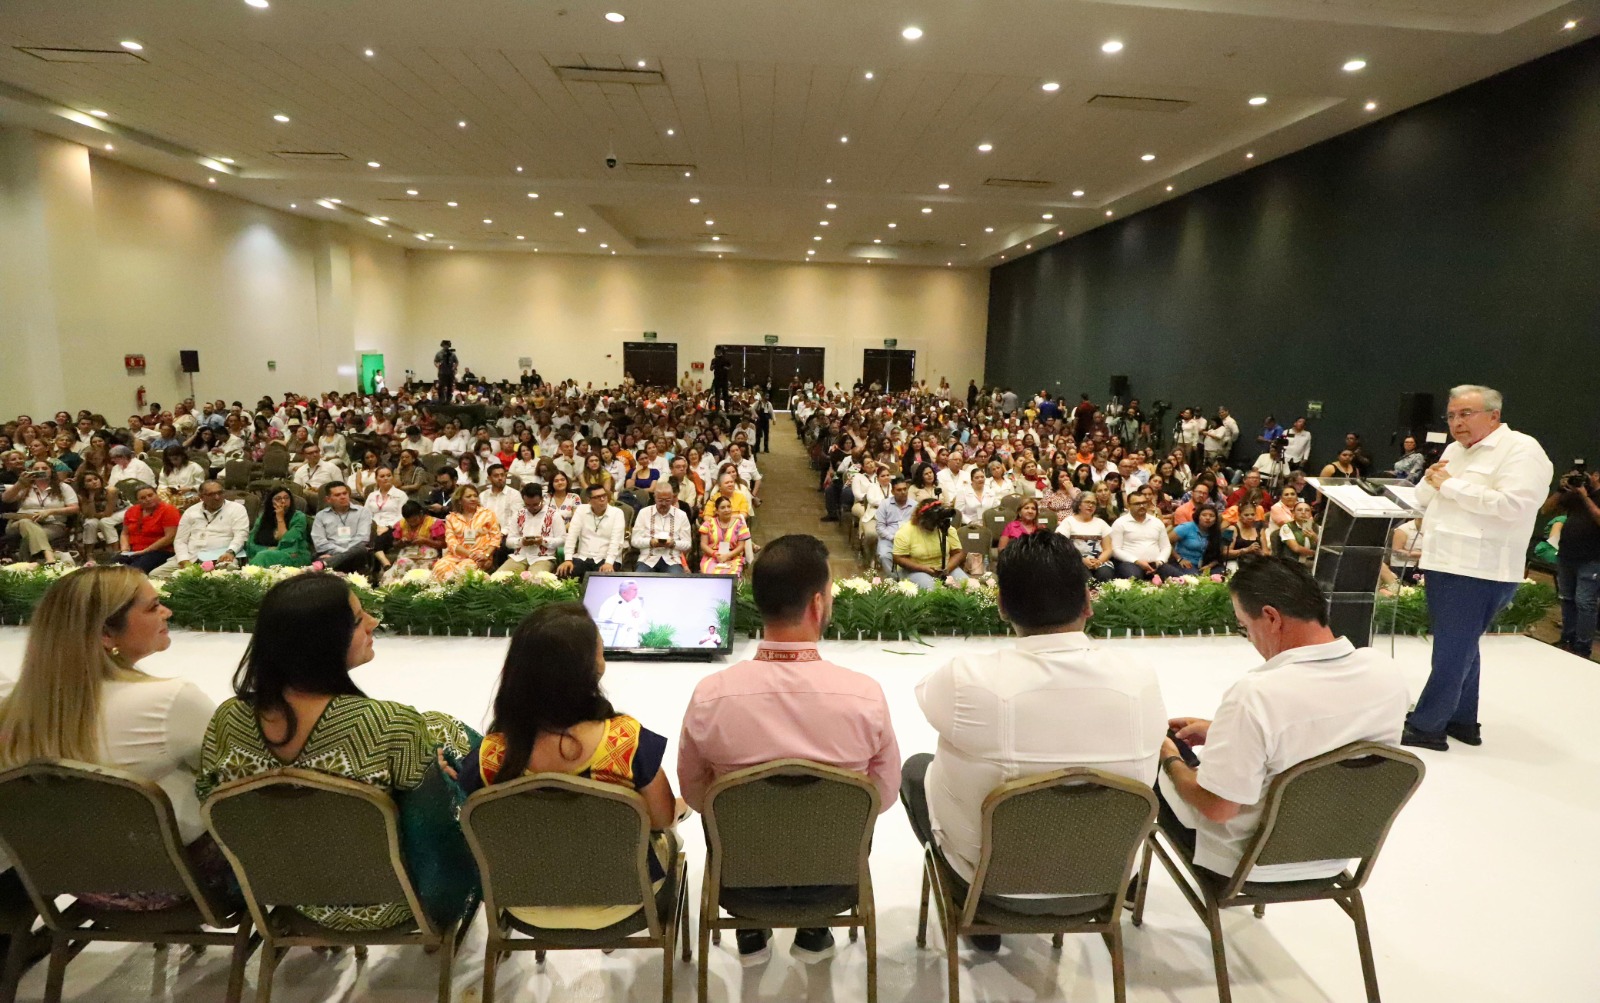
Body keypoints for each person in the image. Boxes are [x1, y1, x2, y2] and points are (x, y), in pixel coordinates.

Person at [901, 532, 1165, 950]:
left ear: (1002, 606)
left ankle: (977, 917)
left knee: (918, 768)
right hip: (1102, 883)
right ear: (1088, 602)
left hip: (989, 885)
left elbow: (925, 698)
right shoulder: (1141, 676)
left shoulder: (967, 678)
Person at [195, 573, 473, 931]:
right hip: (391, 900)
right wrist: (444, 778)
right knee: (450, 737)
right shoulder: (390, 725)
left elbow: (212, 800)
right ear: (321, 641)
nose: (373, 622)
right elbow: (434, 829)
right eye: (358, 620)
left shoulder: (228, 720)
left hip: (284, 893)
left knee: (433, 729)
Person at [677, 535, 900, 966]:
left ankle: (748, 927)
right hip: (835, 883)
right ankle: (815, 928)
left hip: (738, 883)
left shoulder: (711, 695)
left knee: (723, 798)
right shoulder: (864, 696)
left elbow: (695, 793)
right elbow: (883, 795)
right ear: (818, 604)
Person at [1157, 557, 1407, 883]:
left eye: (1245, 627)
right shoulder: (1386, 674)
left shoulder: (1257, 695)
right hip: (1336, 852)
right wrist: (1225, 732)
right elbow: (1325, 739)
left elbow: (1218, 809)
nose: (1250, 639)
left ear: (1271, 617)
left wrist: (1170, 759)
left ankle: (1122, 887)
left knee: (1159, 760)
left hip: (1248, 863)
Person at [0, 566, 223, 910]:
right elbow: (231, 775)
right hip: (178, 883)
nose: (167, 612)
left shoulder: (19, 709)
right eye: (153, 607)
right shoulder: (170, 701)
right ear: (106, 634)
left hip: (75, 882)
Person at [454, 603, 678, 929]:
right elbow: (661, 818)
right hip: (624, 900)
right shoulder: (626, 742)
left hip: (523, 903)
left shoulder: (490, 758)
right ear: (592, 668)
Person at [1403, 386, 1553, 750]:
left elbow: (1515, 506)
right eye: (1452, 415)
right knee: (1460, 645)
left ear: (1494, 415)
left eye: (1465, 414)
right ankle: (1462, 721)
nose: (1456, 422)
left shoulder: (1521, 450)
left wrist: (1451, 486)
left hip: (1480, 568)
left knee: (1452, 651)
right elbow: (1424, 498)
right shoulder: (1455, 451)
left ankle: (1428, 727)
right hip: (1443, 561)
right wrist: (1432, 482)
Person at [1546, 465, 1600, 657]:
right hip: (1567, 555)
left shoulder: (1588, 496)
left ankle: (1582, 648)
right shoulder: (1574, 495)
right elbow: (1546, 510)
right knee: (1566, 599)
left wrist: (1585, 496)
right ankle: (1567, 640)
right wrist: (1561, 490)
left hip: (1592, 559)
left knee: (1585, 603)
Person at [152, 480, 249, 576]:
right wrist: (183, 559)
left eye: (220, 493)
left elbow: (241, 535)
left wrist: (231, 552)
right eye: (211, 494)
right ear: (201, 497)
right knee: (155, 575)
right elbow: (180, 540)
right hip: (191, 557)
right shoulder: (191, 511)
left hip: (222, 557)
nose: (217, 497)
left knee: (224, 575)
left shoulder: (237, 509)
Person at [2, 460, 79, 563]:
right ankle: (49, 556)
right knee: (25, 522)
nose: (40, 471)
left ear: (51, 471)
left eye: (44, 468)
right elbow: (6, 499)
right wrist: (19, 483)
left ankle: (26, 564)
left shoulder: (63, 487)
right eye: (36, 469)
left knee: (28, 537)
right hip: (17, 524)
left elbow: (74, 508)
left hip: (52, 525)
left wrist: (50, 512)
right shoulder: (25, 486)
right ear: (30, 472)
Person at [892, 500, 968, 590]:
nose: (934, 526)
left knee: (968, 586)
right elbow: (898, 558)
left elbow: (958, 553)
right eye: (931, 523)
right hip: (916, 570)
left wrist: (948, 568)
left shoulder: (945, 528)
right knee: (934, 590)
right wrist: (924, 569)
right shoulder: (905, 531)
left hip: (946, 568)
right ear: (921, 519)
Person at [1109, 489, 1183, 580]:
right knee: (1135, 577)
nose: (1142, 506)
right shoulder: (1120, 523)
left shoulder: (1156, 522)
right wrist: (1136, 561)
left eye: (1144, 503)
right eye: (1137, 504)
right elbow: (1115, 550)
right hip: (1130, 563)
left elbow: (1166, 546)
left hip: (1157, 564)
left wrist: (1161, 560)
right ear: (1128, 506)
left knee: (1181, 579)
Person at [432, 484, 502, 580]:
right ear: (460, 500)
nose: (473, 499)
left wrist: (486, 555)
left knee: (463, 570)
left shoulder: (487, 514)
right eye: (468, 496)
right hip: (457, 555)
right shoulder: (451, 518)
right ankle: (443, 589)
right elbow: (451, 543)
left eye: (475, 496)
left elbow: (496, 538)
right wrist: (470, 554)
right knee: (439, 568)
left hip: (481, 555)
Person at [558, 483, 625, 578]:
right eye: (598, 497)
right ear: (589, 500)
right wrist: (568, 559)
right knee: (563, 573)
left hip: (606, 558)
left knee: (602, 578)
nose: (602, 499)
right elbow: (572, 536)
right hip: (582, 557)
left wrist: (609, 562)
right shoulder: (581, 510)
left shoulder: (617, 513)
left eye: (604, 495)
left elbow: (616, 541)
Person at [501, 483, 565, 577]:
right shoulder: (518, 514)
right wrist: (521, 542)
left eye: (536, 504)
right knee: (498, 578)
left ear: (542, 499)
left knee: (535, 580)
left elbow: (562, 540)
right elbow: (508, 542)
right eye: (527, 505)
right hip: (519, 557)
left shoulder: (554, 515)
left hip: (543, 558)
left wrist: (543, 541)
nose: (532, 508)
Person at [311, 482, 376, 573]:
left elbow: (362, 538)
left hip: (356, 555)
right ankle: (328, 563)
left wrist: (343, 554)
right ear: (328, 499)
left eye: (345, 493)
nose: (343, 497)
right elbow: (319, 542)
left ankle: (326, 563)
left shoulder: (362, 512)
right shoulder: (321, 516)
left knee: (361, 549)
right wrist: (344, 553)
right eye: (337, 495)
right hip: (331, 553)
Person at [115, 484, 181, 573]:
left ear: (156, 495)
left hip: (160, 551)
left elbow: (170, 537)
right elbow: (124, 533)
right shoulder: (131, 510)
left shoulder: (169, 510)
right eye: (143, 498)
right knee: (111, 567)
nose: (148, 499)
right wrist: (125, 549)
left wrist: (145, 550)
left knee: (133, 571)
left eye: (150, 495)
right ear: (137, 501)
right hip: (133, 551)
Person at [245, 486, 314, 568]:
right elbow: (251, 544)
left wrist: (280, 518)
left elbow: (287, 541)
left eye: (286, 498)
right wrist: (267, 549)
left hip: (295, 555)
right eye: (278, 499)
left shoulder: (298, 517)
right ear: (271, 502)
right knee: (262, 556)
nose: (283, 501)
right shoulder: (263, 517)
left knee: (263, 556)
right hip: (266, 553)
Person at [632, 481, 692, 573]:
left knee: (676, 578)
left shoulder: (681, 515)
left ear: (673, 498)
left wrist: (673, 544)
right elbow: (634, 540)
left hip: (672, 560)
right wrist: (650, 542)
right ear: (654, 497)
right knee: (640, 577)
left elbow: (687, 544)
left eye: (667, 500)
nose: (663, 503)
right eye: (660, 500)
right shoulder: (644, 513)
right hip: (647, 559)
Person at [1056, 492, 1116, 582]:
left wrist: (1099, 561)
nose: (1090, 505)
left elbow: (1108, 549)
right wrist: (1082, 560)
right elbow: (1061, 547)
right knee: (1086, 579)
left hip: (1099, 560)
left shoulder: (1101, 523)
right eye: (1087, 502)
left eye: (1093, 503)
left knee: (1105, 575)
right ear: (1079, 505)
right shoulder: (1068, 522)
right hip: (1076, 560)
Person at [382, 500, 447, 581]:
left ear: (421, 513)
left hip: (427, 558)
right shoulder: (401, 524)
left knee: (424, 575)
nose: (412, 524)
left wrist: (426, 541)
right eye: (409, 522)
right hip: (407, 556)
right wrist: (401, 542)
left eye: (415, 520)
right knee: (398, 570)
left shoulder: (434, 523)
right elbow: (395, 544)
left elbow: (444, 544)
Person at [699, 494, 754, 576]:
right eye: (723, 508)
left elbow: (741, 546)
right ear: (716, 511)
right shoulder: (708, 524)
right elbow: (703, 545)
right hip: (712, 557)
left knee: (731, 576)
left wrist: (728, 555)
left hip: (733, 557)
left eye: (729, 507)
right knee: (709, 574)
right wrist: (715, 554)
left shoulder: (739, 524)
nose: (727, 510)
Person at [1171, 505, 1225, 575]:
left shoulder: (1216, 532)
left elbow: (1218, 556)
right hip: (1186, 563)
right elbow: (1166, 542)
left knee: (1220, 575)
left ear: (1215, 520)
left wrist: (1209, 566)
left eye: (1212, 516)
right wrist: (1179, 559)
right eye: (1204, 515)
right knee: (1194, 577)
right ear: (1198, 516)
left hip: (1207, 564)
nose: (1208, 518)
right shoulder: (1186, 527)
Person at [595, 579, 646, 647]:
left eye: (637, 590)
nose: (637, 592)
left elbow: (642, 620)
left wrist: (638, 616)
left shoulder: (636, 601)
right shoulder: (610, 602)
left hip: (631, 641)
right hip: (615, 641)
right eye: (634, 590)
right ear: (624, 592)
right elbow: (603, 621)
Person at [1277, 501, 1319, 566]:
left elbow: (1325, 545)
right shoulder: (1287, 527)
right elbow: (1296, 548)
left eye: (1307, 510)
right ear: (1293, 513)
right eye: (1299, 510)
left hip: (1313, 562)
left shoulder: (1316, 527)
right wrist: (1315, 553)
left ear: (1311, 514)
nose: (1303, 512)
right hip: (1293, 563)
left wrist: (1315, 537)